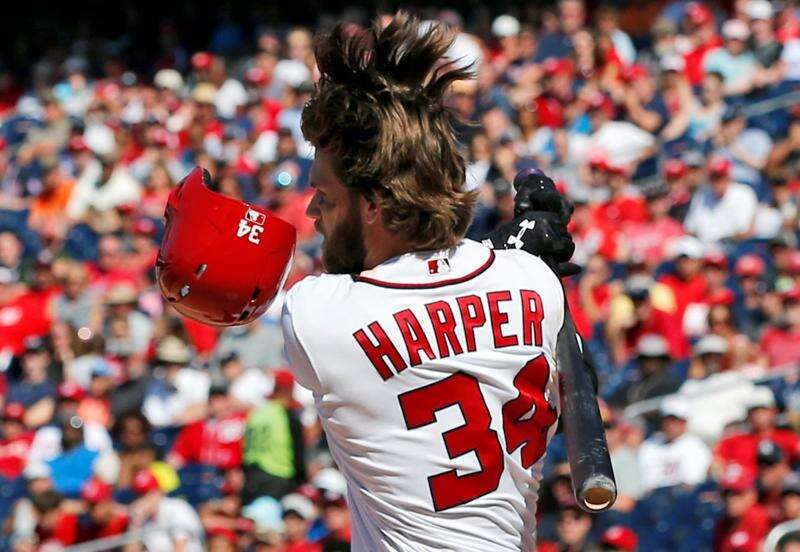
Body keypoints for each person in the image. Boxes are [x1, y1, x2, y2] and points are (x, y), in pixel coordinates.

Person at [280, 14, 577, 550]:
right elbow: (470, 277)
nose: (313, 210)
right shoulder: (535, 281)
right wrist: (516, 249)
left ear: (374, 204)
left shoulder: (319, 317)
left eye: (325, 195)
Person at [637, 397, 712, 492]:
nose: (670, 425)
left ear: (684, 422)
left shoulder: (695, 446)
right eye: (667, 420)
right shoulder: (649, 445)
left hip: (682, 497)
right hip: (655, 497)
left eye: (675, 420)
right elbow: (645, 483)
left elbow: (691, 483)